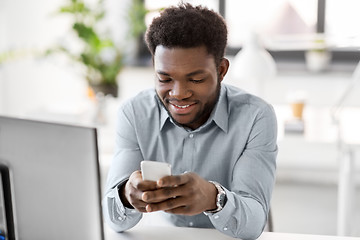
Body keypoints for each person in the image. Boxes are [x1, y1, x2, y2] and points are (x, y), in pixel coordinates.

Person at [102, 3, 277, 240]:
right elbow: (113, 221)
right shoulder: (134, 114)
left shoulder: (256, 117)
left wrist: (214, 198)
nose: (178, 93)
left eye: (195, 80)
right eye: (164, 78)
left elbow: (254, 221)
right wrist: (125, 196)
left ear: (222, 70)